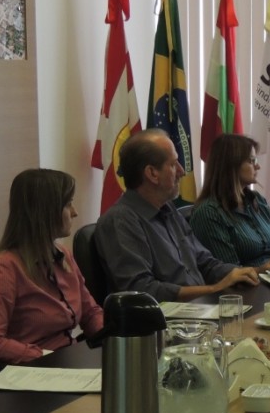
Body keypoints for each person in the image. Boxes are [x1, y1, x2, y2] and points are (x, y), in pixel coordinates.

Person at [95, 129, 259, 302]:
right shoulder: (121, 220)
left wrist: (240, 273)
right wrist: (213, 289)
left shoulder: (168, 209)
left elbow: (205, 262)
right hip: (169, 317)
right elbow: (141, 290)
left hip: (200, 308)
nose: (182, 171)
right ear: (152, 173)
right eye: (173, 164)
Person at [0, 169, 104, 363]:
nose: (74, 212)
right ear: (46, 212)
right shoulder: (4, 270)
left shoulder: (63, 255)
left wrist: (112, 337)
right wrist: (44, 357)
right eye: (68, 204)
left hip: (67, 361)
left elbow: (91, 313)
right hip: (35, 369)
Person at [190, 134, 270, 271]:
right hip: (248, 284)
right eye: (252, 161)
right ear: (231, 165)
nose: (258, 166)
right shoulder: (208, 213)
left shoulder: (258, 201)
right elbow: (227, 272)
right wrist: (263, 270)